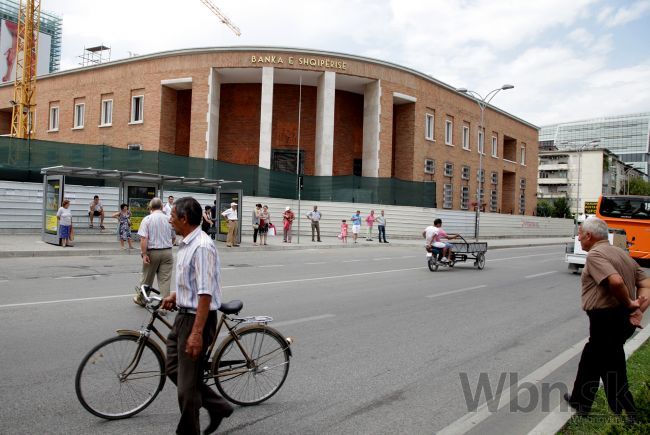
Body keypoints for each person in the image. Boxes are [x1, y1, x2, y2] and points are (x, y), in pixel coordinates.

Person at [564, 217, 649, 421]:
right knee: (593, 359)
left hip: (606, 320)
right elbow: (645, 281)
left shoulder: (595, 254)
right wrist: (640, 309)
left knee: (611, 366)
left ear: (589, 235)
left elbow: (616, 281)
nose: (578, 236)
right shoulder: (622, 253)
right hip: (619, 320)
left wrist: (630, 304)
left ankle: (630, 414)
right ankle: (581, 403)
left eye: (580, 232)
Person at [161, 196, 234, 434]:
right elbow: (192, 284)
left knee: (186, 389)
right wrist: (176, 295)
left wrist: (196, 334)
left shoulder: (202, 246)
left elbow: (205, 294)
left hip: (196, 319)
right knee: (172, 367)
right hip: (183, 316)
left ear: (184, 218)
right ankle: (218, 406)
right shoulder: (185, 244)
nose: (170, 220)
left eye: (173, 216)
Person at [134, 198, 175, 310]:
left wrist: (144, 254)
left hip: (153, 252)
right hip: (167, 252)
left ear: (150, 208)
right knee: (165, 280)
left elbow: (144, 238)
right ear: (162, 207)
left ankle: (142, 299)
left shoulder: (147, 219)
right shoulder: (168, 219)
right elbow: (173, 237)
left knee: (147, 277)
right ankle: (165, 305)